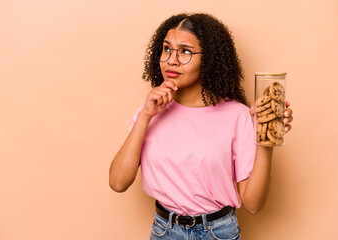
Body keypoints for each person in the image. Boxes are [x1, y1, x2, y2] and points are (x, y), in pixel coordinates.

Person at [109, 13, 293, 240]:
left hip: (218, 233)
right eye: (167, 49)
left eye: (185, 51)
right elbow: (118, 183)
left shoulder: (238, 116)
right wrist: (146, 116)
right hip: (164, 231)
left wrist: (266, 141)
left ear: (209, 60)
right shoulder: (149, 112)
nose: (172, 60)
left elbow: (253, 205)